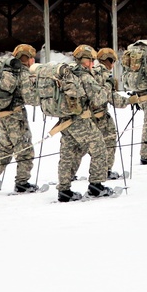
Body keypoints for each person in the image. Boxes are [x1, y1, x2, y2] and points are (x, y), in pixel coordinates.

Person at [55, 45, 116, 202]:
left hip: (65, 121)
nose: (93, 63)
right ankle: (96, 186)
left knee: (68, 154)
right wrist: (108, 85)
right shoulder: (85, 76)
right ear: (87, 60)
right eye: (92, 60)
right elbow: (99, 99)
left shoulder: (68, 73)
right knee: (100, 148)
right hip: (80, 121)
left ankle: (64, 190)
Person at [0, 44, 38, 194]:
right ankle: (22, 183)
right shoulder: (22, 73)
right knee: (25, 150)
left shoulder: (6, 69)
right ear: (28, 58)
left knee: (5, 147)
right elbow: (31, 98)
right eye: (32, 58)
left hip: (2, 116)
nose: (33, 61)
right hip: (16, 117)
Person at [91, 47, 132, 180]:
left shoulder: (91, 72)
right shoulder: (104, 74)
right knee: (108, 142)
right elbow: (111, 97)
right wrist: (129, 100)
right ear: (110, 61)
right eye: (113, 61)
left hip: (87, 116)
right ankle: (105, 170)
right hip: (100, 116)